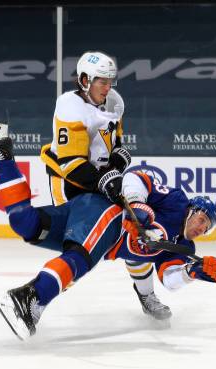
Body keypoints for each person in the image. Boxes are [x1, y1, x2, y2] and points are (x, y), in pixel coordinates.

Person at [0, 123, 216, 340]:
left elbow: (170, 280)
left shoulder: (184, 248)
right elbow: (137, 178)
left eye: (207, 228)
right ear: (193, 210)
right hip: (106, 213)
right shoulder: (177, 202)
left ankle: (3, 156)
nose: (201, 228)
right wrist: (137, 205)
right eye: (202, 219)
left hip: (90, 219)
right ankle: (28, 298)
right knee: (80, 258)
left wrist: (192, 272)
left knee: (27, 225)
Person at [40, 50, 171, 321]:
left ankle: (146, 294)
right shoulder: (69, 105)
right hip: (69, 185)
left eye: (110, 80)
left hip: (101, 182)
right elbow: (71, 164)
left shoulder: (113, 102)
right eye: (102, 81)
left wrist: (117, 163)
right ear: (85, 79)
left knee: (135, 233)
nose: (108, 86)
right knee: (79, 251)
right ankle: (38, 299)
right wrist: (106, 178)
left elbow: (115, 147)